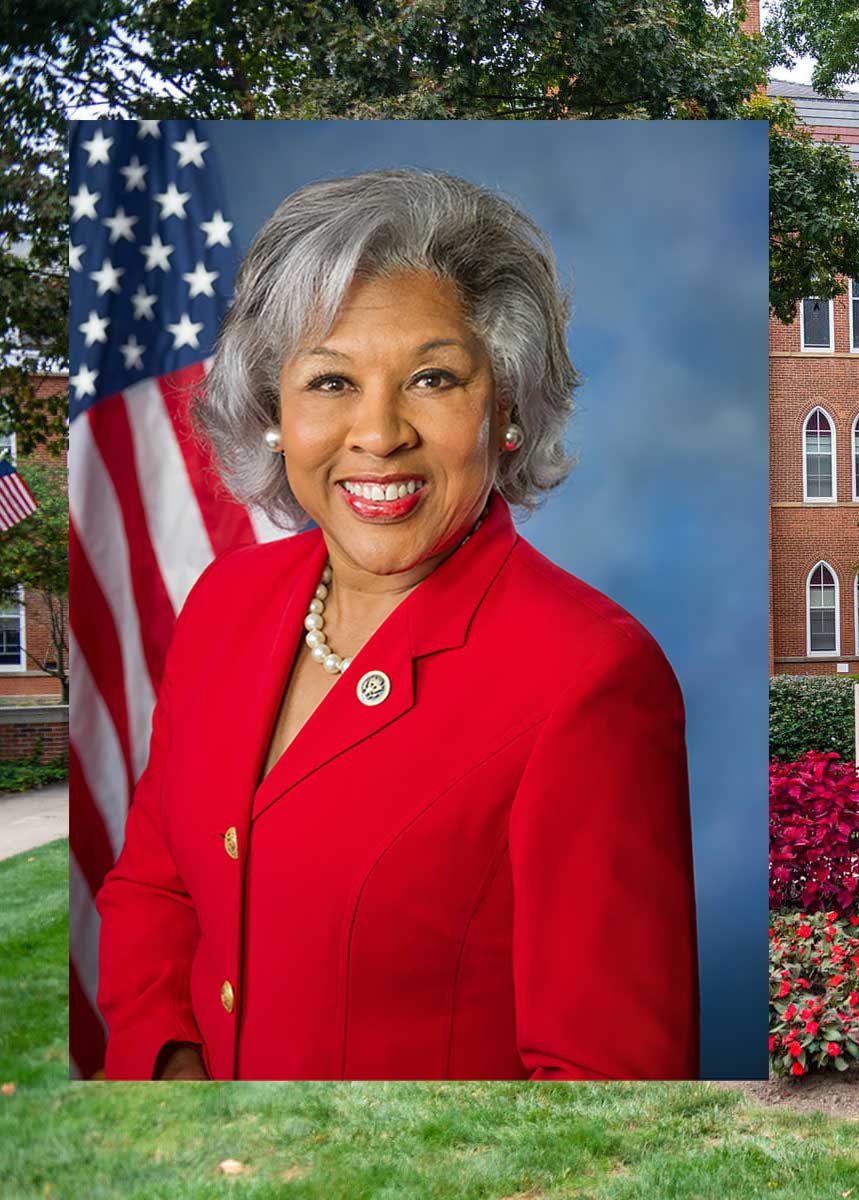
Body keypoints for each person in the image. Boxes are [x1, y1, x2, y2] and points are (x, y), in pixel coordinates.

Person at [95, 170, 699, 1082]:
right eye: (331, 380)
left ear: (505, 409)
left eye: (432, 378)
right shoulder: (227, 603)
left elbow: (613, 1101)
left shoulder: (589, 677)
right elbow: (156, 890)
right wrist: (180, 1099)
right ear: (275, 414)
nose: (377, 434)